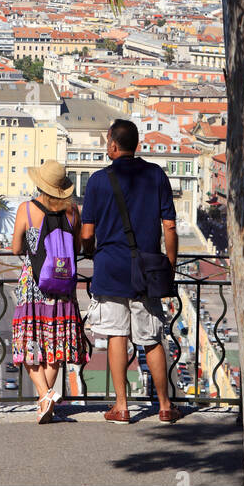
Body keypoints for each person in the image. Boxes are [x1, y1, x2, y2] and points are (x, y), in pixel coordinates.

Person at [81, 119, 180, 424]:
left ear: (112, 145)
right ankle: (164, 405)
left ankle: (121, 406)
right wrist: (170, 265)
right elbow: (170, 226)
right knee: (151, 338)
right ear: (136, 144)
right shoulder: (156, 175)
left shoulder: (98, 181)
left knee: (116, 335)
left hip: (110, 268)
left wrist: (90, 253)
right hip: (146, 270)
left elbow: (87, 232)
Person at [10, 160, 89, 423]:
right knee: (55, 345)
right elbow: (77, 248)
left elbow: (15, 248)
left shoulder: (27, 209)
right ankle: (47, 405)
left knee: (30, 343)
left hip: (33, 285)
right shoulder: (73, 212)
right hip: (63, 287)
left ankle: (45, 394)